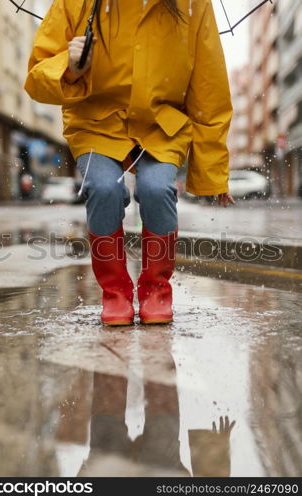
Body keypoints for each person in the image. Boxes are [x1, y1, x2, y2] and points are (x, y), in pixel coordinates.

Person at [24, 0, 235, 327]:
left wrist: (212, 173)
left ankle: (156, 289)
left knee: (157, 188)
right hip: (96, 122)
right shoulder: (77, 2)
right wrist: (69, 66)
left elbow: (210, 89)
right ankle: (116, 292)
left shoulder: (193, 5)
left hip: (161, 124)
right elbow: (37, 75)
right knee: (103, 188)